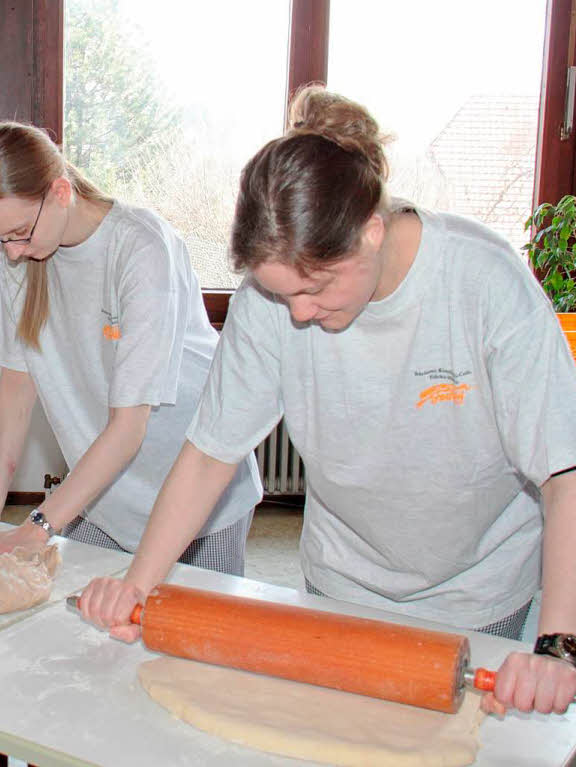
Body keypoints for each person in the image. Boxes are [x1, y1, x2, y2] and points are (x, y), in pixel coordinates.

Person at [78, 85, 576, 717]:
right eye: (283, 296)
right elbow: (210, 454)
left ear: (371, 231)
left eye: (314, 289)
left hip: (475, 589)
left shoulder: (483, 281)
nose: (301, 313)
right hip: (340, 578)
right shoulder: (271, 299)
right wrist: (136, 584)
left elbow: (564, 470)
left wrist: (558, 646)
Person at [0, 121, 262, 578]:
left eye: (18, 233)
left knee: (192, 637)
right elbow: (18, 382)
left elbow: (128, 427)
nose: (11, 253)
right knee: (79, 626)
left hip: (195, 488)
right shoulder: (17, 249)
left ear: (60, 192)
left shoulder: (140, 246)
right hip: (103, 492)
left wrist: (38, 524)